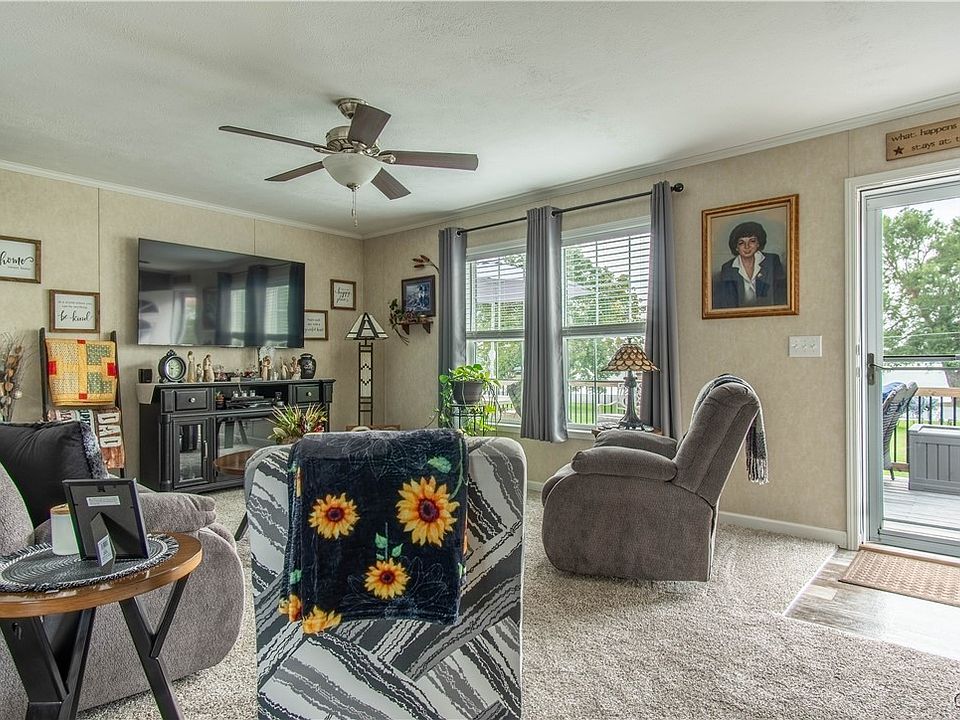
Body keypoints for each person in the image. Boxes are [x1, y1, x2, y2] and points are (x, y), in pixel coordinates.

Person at [712, 221, 787, 309]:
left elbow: (781, 296)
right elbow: (728, 303)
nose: (747, 246)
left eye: (752, 241)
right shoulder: (727, 268)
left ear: (758, 243)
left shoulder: (772, 261)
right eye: (741, 243)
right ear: (736, 247)